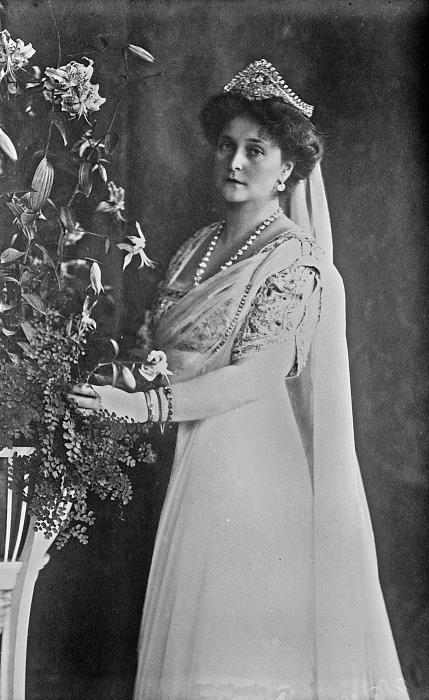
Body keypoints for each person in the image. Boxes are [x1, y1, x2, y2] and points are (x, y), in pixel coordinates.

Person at [70, 60, 410, 699]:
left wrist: (143, 406)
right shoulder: (196, 246)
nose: (235, 161)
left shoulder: (295, 262)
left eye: (256, 149)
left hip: (252, 473)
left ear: (287, 169)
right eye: (227, 145)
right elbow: (165, 346)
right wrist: (130, 373)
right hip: (194, 458)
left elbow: (255, 375)